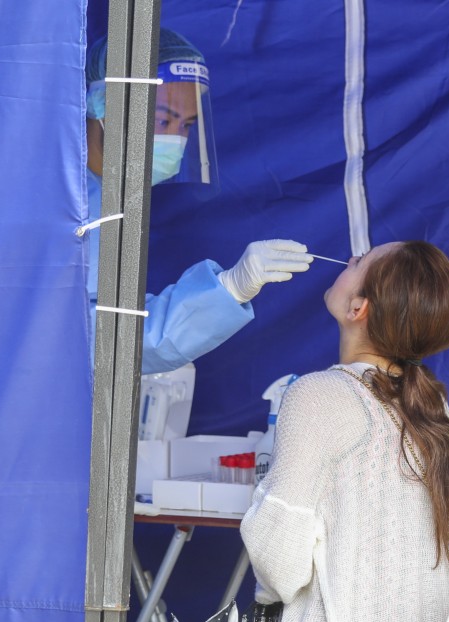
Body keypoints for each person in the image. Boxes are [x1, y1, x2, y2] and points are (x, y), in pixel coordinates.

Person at [240, 241, 449, 622]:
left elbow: (279, 567)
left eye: (359, 262)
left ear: (358, 309)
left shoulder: (318, 396)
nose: (348, 260)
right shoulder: (433, 408)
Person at [84, 29, 313, 374]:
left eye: (186, 125)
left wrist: (229, 290)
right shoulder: (57, 205)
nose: (175, 140)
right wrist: (227, 290)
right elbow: (93, 341)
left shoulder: (109, 197)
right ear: (103, 105)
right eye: (163, 120)